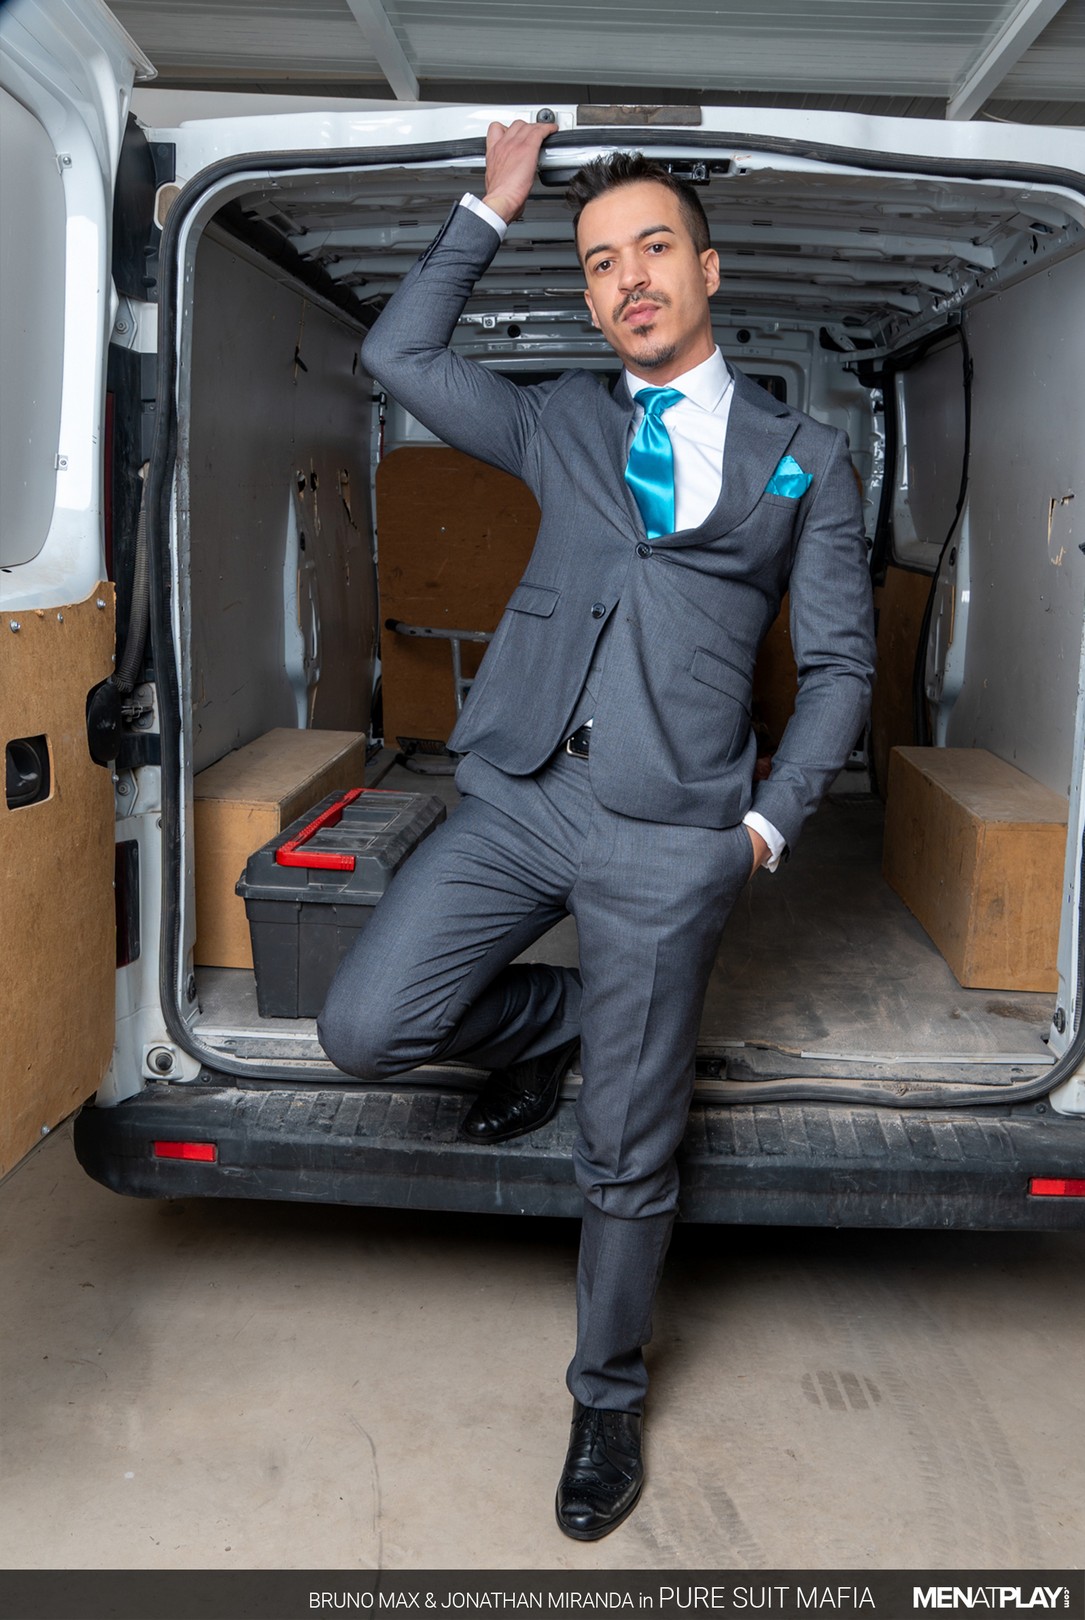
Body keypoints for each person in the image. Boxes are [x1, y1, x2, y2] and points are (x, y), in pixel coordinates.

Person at [318, 118, 876, 1540]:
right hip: (521, 795)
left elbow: (838, 672)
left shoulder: (804, 457)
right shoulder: (560, 418)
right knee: (366, 1027)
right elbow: (398, 355)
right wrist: (489, 207)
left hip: (673, 837)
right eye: (599, 262)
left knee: (626, 1146)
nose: (627, 278)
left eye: (651, 249)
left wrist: (761, 830)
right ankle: (561, 1021)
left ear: (705, 268)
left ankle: (606, 1393)